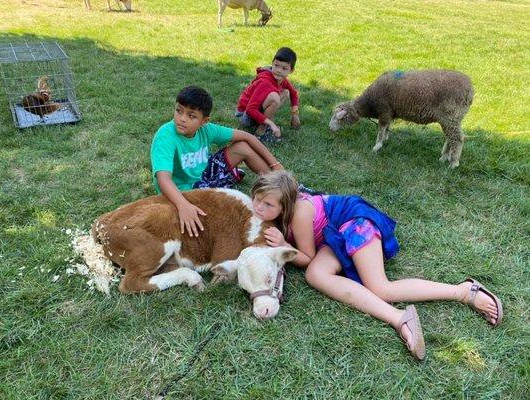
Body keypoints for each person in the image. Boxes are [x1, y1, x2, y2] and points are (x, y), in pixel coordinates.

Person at [250, 170, 503, 360]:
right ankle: (399, 318)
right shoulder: (269, 212)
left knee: (381, 287)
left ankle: (463, 291)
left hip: (353, 220)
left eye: (268, 204)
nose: (259, 207)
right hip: (331, 235)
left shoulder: (299, 213)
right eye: (257, 199)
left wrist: (284, 245)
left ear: (286, 205)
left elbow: (305, 257)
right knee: (316, 276)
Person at [150, 85, 284, 238]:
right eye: (178, 110)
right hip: (183, 191)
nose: (182, 118)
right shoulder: (166, 136)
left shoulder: (207, 130)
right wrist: (183, 205)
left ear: (204, 121)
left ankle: (280, 185)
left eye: (191, 115)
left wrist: (276, 165)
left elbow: (249, 137)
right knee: (228, 214)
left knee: (242, 147)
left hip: (204, 175)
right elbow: (163, 178)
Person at [235, 47, 301, 143]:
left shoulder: (282, 80)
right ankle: (260, 133)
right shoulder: (265, 81)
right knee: (274, 97)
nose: (278, 70)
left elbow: (293, 93)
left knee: (285, 92)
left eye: (284, 68)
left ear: (291, 70)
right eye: (276, 65)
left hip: (254, 112)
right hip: (245, 115)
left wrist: (295, 114)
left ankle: (264, 124)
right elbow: (250, 109)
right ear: (272, 63)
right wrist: (271, 124)